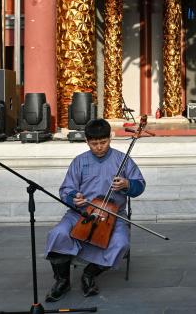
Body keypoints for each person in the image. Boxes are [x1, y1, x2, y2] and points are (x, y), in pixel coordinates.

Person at [44, 119, 146, 302]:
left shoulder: (122, 160)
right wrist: (74, 197)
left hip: (114, 215)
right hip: (81, 212)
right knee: (58, 234)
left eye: (103, 142)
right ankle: (62, 280)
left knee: (121, 243)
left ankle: (89, 274)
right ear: (87, 141)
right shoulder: (79, 161)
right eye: (94, 143)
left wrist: (127, 184)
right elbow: (65, 189)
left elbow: (140, 186)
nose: (99, 147)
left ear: (110, 138)